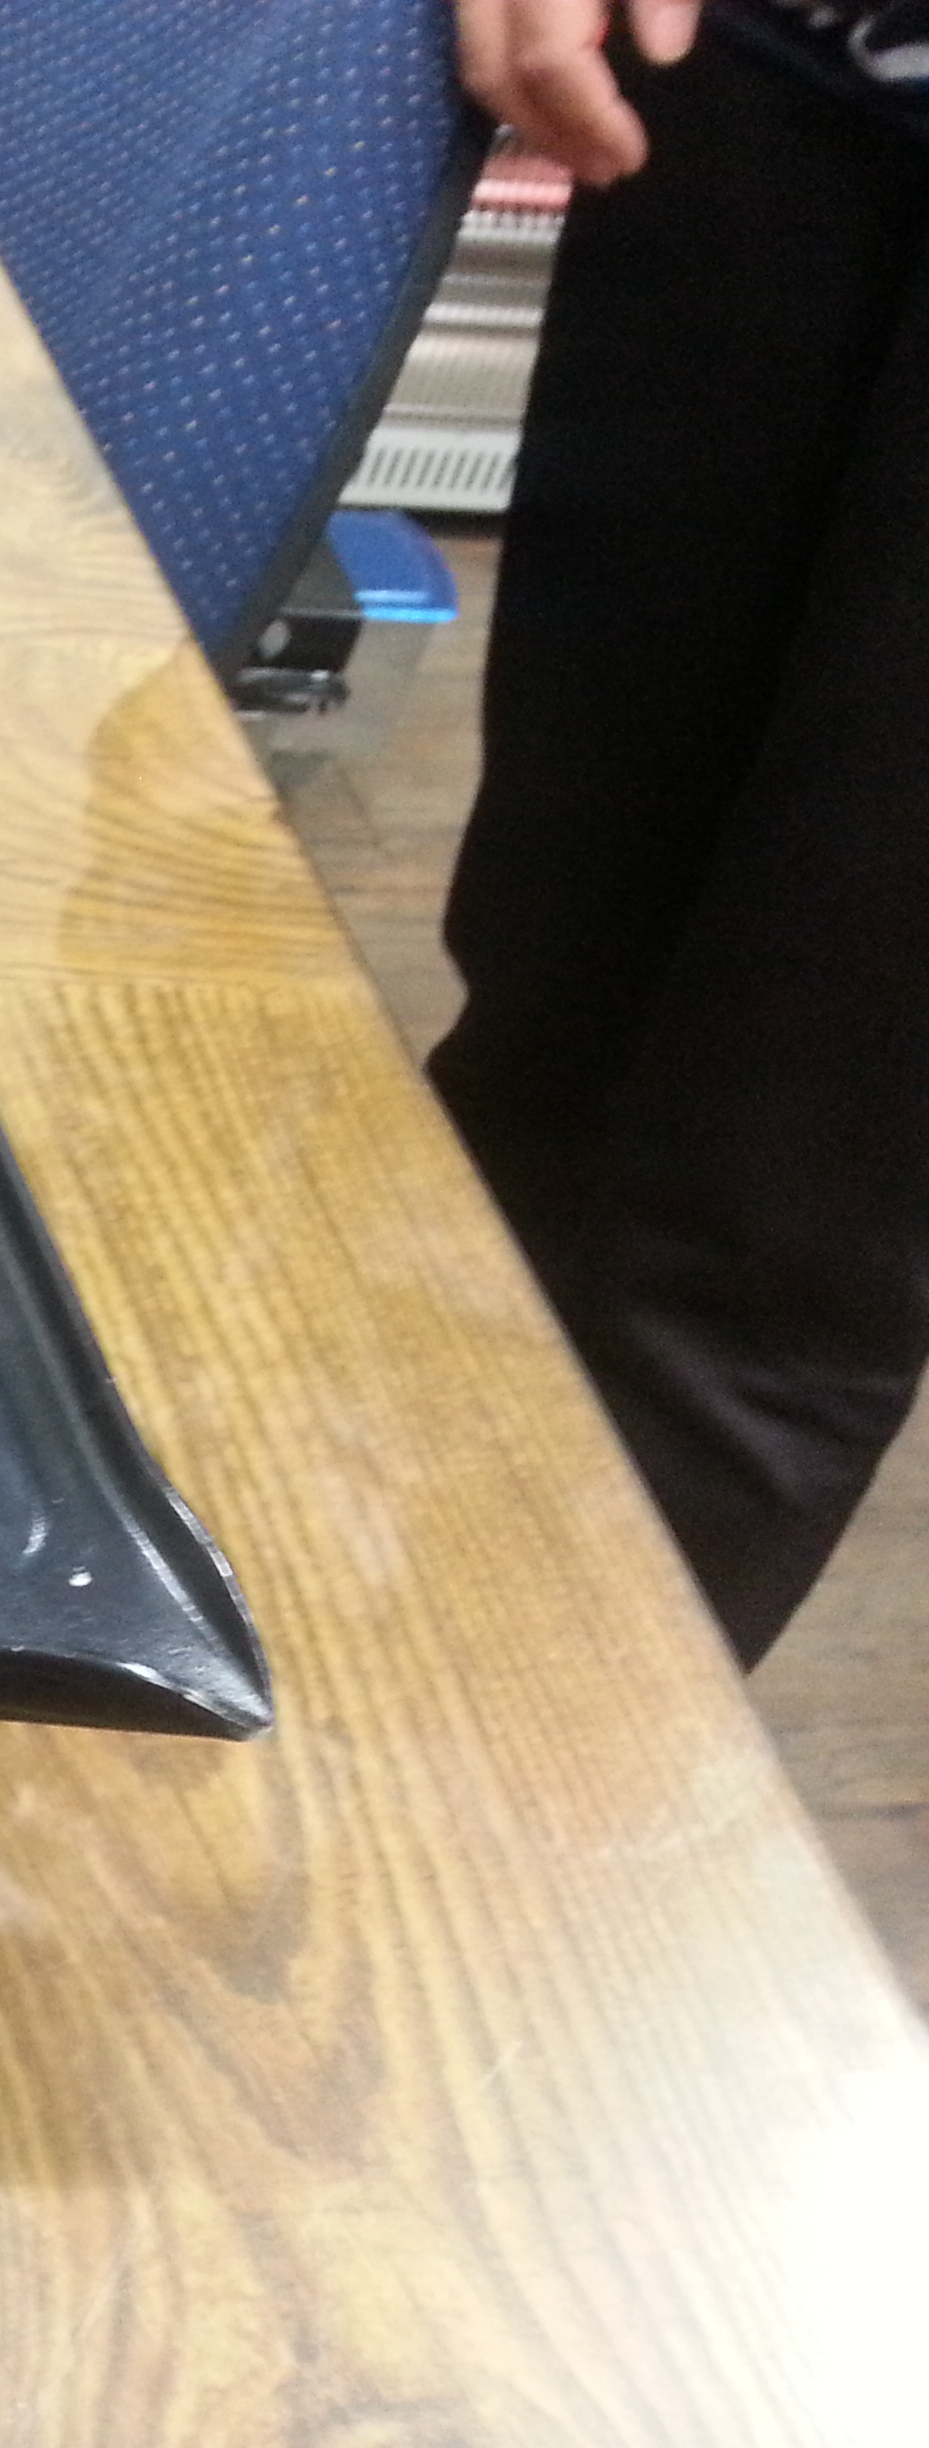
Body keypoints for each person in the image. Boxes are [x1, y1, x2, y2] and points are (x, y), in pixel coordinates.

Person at [435, 0, 929, 1663]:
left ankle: (486, 1789)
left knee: (779, 1233)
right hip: (778, 73)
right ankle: (302, 1633)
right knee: (536, 1049)